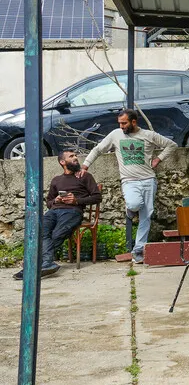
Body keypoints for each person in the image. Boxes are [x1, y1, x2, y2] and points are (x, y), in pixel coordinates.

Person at [82, 109, 177, 264]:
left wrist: (158, 159)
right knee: (134, 203)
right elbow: (98, 149)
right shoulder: (115, 135)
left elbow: (171, 145)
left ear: (134, 122)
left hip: (148, 180)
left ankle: (138, 251)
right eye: (119, 123)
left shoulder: (148, 135)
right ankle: (130, 209)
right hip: (129, 181)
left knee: (146, 217)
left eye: (124, 123)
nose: (121, 126)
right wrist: (85, 166)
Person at [14, 150, 101, 281]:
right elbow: (49, 202)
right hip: (54, 211)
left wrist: (76, 200)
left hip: (73, 212)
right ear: (62, 162)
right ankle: (46, 263)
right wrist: (56, 200)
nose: (76, 158)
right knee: (40, 229)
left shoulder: (85, 176)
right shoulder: (56, 180)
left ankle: (33, 265)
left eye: (75, 155)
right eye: (71, 156)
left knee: (56, 234)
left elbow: (97, 197)